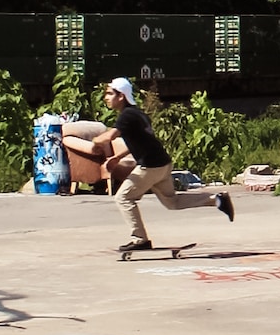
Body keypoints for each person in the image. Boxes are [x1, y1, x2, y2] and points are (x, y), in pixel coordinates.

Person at [99, 76, 235, 247]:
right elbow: (142, 141)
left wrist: (94, 142)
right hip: (162, 163)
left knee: (123, 198)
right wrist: (118, 157)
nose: (106, 97)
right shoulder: (138, 114)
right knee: (172, 202)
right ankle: (217, 199)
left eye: (110, 93)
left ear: (121, 96)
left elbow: (109, 137)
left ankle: (140, 239)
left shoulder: (126, 116)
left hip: (150, 166)